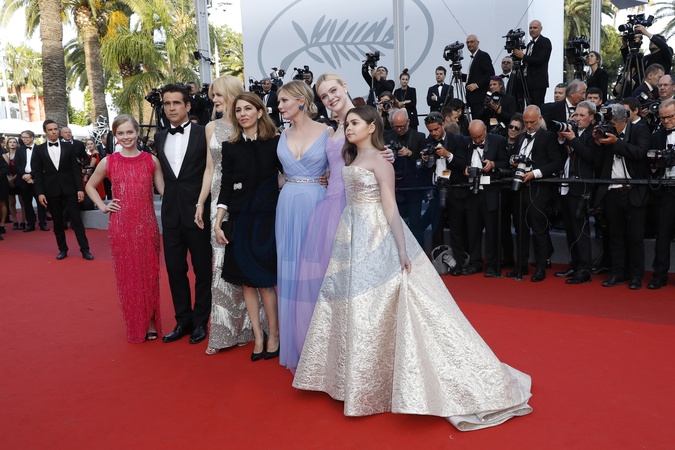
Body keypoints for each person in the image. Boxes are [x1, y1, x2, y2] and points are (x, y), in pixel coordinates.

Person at [292, 105, 532, 431]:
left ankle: (372, 382)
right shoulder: (353, 157)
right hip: (350, 234)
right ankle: (354, 378)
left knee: (370, 304)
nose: (348, 128)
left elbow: (390, 205)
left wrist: (402, 249)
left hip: (374, 235)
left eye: (355, 123)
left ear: (371, 127)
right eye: (347, 123)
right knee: (351, 303)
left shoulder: (380, 160)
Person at [214, 92, 282, 361]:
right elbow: (226, 186)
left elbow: (287, 173)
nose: (242, 114)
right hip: (240, 219)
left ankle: (274, 335)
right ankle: (257, 336)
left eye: (247, 109)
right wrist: (218, 221)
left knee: (265, 283)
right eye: (238, 110)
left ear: (260, 112)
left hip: (266, 219)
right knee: (247, 284)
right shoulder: (230, 147)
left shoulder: (275, 143)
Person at [85, 115, 164, 342]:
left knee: (149, 274)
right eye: (121, 133)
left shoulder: (151, 160)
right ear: (115, 136)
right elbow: (90, 186)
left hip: (147, 225)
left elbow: (165, 191)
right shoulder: (108, 161)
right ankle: (136, 322)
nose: (126, 137)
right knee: (128, 276)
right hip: (121, 226)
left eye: (130, 132)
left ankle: (151, 322)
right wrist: (103, 206)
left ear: (137, 132)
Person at [194, 75, 254, 355]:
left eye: (218, 94)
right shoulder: (211, 127)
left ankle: (251, 327)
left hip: (245, 200)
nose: (214, 100)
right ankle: (224, 332)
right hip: (217, 200)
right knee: (219, 263)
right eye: (213, 95)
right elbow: (209, 169)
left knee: (245, 260)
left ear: (231, 93)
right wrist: (200, 203)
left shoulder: (249, 124)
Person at [275, 80, 330, 369]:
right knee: (290, 272)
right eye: (279, 101)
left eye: (284, 100)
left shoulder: (327, 132)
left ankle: (319, 348)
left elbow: (346, 165)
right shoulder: (280, 134)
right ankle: (296, 344)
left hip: (318, 205)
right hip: (287, 206)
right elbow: (275, 175)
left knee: (316, 272)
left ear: (301, 100)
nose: (279, 106)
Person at [154, 83, 212, 344]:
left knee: (202, 270)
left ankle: (200, 322)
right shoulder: (159, 137)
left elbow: (211, 171)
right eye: (167, 104)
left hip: (198, 212)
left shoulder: (204, 133)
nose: (171, 108)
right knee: (175, 270)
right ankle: (183, 321)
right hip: (171, 215)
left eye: (176, 103)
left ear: (188, 105)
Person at [593, 104, 650, 290]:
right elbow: (598, 163)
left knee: (635, 237)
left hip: (634, 191)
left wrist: (616, 142)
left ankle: (636, 276)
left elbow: (640, 153)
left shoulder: (640, 130)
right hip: (612, 191)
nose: (609, 127)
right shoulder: (605, 135)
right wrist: (598, 143)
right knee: (615, 236)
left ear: (623, 121)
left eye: (612, 124)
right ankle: (617, 273)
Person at [506, 106, 564, 281]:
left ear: (539, 119)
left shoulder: (548, 137)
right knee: (520, 228)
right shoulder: (520, 137)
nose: (529, 125)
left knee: (539, 229)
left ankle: (541, 267)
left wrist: (535, 173)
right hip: (520, 188)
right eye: (526, 122)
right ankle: (521, 265)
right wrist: (513, 160)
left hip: (538, 189)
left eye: (532, 122)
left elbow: (557, 163)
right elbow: (514, 156)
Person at [33, 119, 93, 261]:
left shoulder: (69, 148)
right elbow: (37, 173)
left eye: (55, 129)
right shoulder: (39, 149)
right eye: (50, 130)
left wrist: (80, 189)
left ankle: (85, 250)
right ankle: (62, 249)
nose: (54, 132)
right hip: (51, 190)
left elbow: (76, 170)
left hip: (70, 189)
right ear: (45, 132)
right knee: (58, 222)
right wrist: (40, 193)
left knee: (77, 221)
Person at [554, 101, 597, 285]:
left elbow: (590, 157)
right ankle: (575, 264)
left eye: (581, 115)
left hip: (582, 188)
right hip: (566, 185)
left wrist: (572, 139)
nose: (577, 118)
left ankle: (584, 269)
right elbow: (562, 155)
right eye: (575, 115)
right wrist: (562, 139)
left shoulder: (594, 133)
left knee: (581, 230)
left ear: (591, 117)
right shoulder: (573, 132)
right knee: (570, 228)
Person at [461, 120, 509, 277]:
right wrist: (465, 169)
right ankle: (475, 263)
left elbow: (506, 163)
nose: (476, 140)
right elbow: (460, 162)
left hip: (490, 193)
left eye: (479, 137)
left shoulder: (498, 141)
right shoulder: (465, 142)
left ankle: (492, 264)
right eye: (473, 137)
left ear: (486, 130)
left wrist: (493, 164)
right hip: (471, 193)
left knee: (492, 231)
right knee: (472, 231)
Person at [384, 108, 426, 246]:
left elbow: (424, 162)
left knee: (415, 222)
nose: (399, 129)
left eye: (401, 126)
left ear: (408, 122)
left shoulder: (419, 137)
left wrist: (410, 154)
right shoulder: (387, 136)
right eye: (396, 127)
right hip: (395, 186)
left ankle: (419, 253)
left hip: (413, 186)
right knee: (396, 222)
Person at [647, 99, 675, 289]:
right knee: (662, 234)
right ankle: (659, 275)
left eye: (670, 117)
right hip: (666, 189)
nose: (666, 121)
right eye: (663, 118)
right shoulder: (656, 136)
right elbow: (650, 164)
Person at [512, 20, 552, 106]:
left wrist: (523, 56)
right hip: (527, 81)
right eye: (530, 28)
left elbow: (540, 60)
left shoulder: (545, 41)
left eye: (535, 28)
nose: (532, 30)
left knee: (536, 106)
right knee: (527, 106)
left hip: (537, 82)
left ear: (541, 29)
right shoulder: (529, 44)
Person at [15, 130, 48, 232]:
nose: (23, 139)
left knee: (40, 201)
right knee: (27, 202)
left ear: (32, 138)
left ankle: (43, 223)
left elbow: (42, 165)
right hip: (23, 180)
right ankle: (30, 223)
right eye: (22, 137)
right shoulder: (19, 150)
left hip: (37, 179)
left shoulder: (40, 149)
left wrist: (31, 175)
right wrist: (25, 175)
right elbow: (17, 164)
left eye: (25, 137)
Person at [464, 34, 495, 120]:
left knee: (480, 123)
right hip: (473, 99)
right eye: (467, 42)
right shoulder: (474, 57)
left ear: (478, 43)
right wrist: (460, 76)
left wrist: (477, 85)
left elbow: (490, 74)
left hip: (480, 99)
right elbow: (473, 77)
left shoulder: (482, 55)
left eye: (472, 42)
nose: (469, 44)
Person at [4, 137, 25, 230]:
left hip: (19, 179)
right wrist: (9, 180)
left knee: (22, 202)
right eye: (10, 142)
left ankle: (23, 221)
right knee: (11, 203)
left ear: (17, 144)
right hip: (8, 180)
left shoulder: (20, 155)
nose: (12, 144)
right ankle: (15, 221)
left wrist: (14, 178)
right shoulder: (5, 155)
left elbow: (21, 168)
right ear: (7, 144)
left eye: (14, 142)